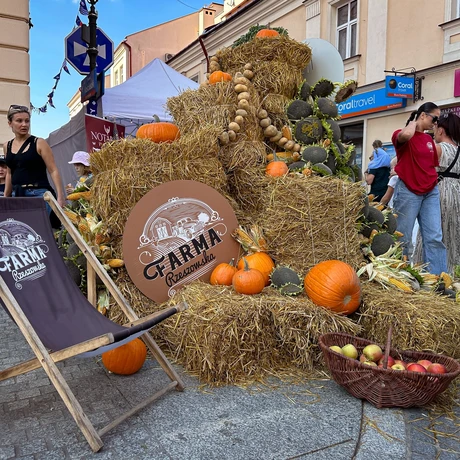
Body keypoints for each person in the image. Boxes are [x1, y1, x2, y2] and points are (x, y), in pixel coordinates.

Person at [391, 102, 447, 275]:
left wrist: (433, 183)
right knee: (403, 236)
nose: (436, 123)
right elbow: (406, 135)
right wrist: (414, 122)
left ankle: (437, 279)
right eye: (434, 118)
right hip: (408, 190)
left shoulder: (428, 139)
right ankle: (402, 276)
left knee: (434, 237)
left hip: (429, 191)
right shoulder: (401, 134)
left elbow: (432, 165)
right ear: (423, 115)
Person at [413, 112, 460, 274]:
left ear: (441, 131)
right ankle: (451, 273)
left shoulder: (438, 149)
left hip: (440, 192)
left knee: (431, 233)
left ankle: (428, 272)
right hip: (457, 193)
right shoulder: (458, 150)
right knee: (453, 234)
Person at [2, 104, 66, 211]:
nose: (24, 124)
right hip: (17, 195)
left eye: (27, 121)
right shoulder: (6, 146)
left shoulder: (39, 143)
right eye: (19, 121)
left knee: (41, 227)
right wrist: (6, 197)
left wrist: (60, 196)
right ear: (10, 123)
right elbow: (9, 172)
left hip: (39, 194)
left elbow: (53, 170)